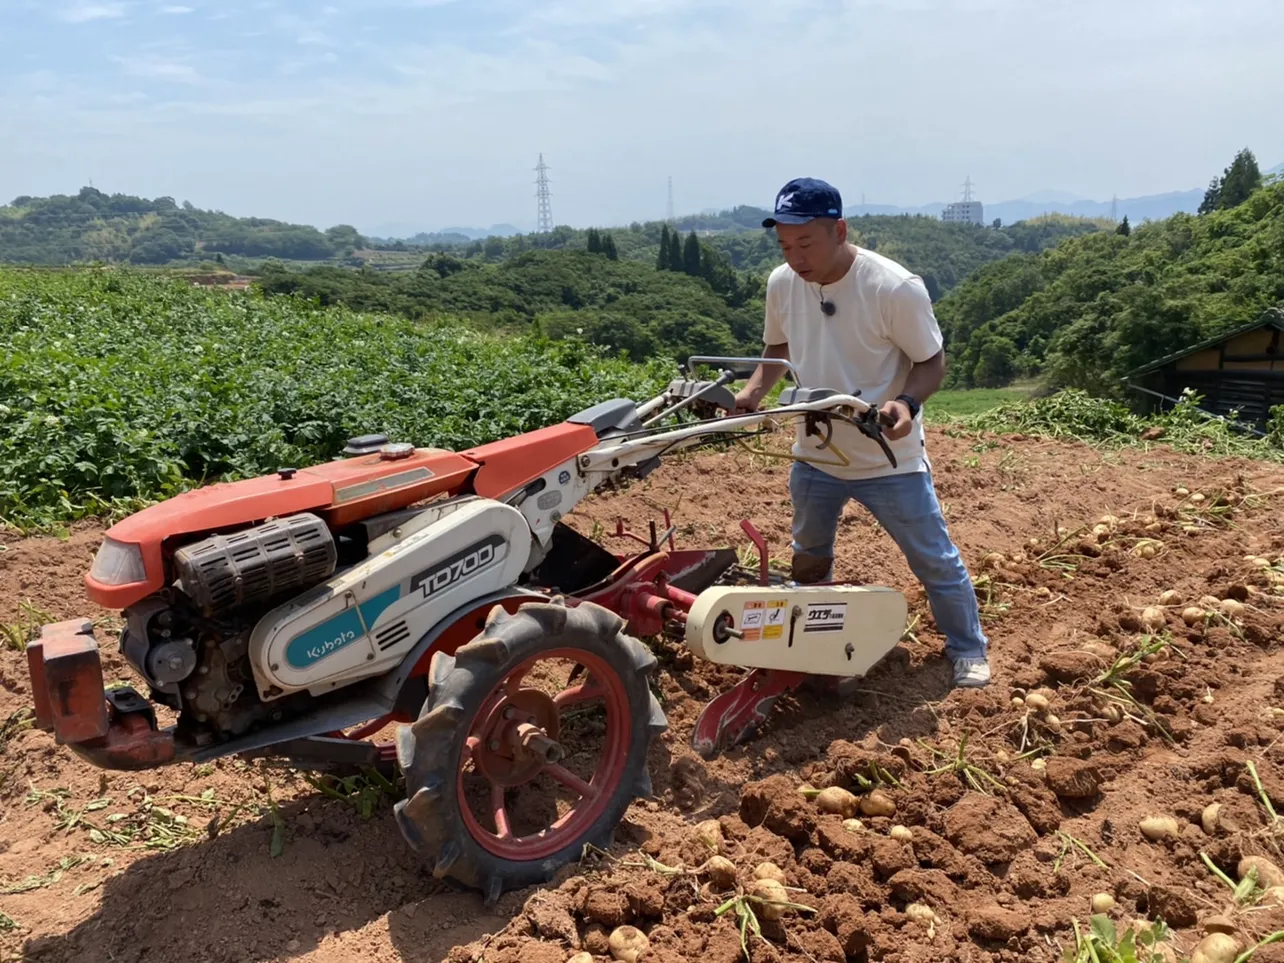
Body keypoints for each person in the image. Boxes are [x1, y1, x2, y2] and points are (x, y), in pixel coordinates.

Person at [732, 177, 990, 688]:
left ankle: (968, 649)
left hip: (885, 459)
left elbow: (931, 359)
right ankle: (823, 647)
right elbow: (777, 349)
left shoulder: (892, 287)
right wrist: (752, 394)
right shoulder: (782, 283)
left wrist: (906, 404)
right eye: (785, 244)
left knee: (933, 559)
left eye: (806, 243)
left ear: (840, 230)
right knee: (809, 559)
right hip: (815, 453)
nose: (796, 257)